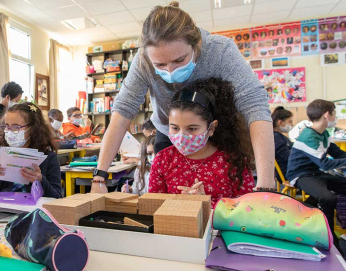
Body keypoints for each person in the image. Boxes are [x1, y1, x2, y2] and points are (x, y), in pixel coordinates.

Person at [91, 2, 275, 193]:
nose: (170, 71)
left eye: (179, 60)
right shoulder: (143, 60)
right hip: (170, 136)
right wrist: (99, 178)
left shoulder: (221, 51)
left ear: (197, 45)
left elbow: (255, 105)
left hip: (217, 135)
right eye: (160, 65)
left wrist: (265, 186)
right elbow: (122, 111)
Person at [148, 78, 255, 206]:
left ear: (211, 128)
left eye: (192, 129)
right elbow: (153, 206)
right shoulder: (163, 160)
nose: (182, 136)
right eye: (175, 128)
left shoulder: (234, 162)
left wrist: (206, 204)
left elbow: (247, 210)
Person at [286, 99, 346, 249]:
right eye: (334, 114)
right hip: (300, 175)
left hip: (315, 173)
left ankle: (312, 207)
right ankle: (329, 237)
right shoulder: (309, 137)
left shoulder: (323, 133)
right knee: (327, 198)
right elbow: (324, 163)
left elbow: (337, 153)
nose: (335, 117)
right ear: (327, 114)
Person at [0, 103, 62, 198]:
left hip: (35, 210)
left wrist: (40, 180)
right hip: (4, 210)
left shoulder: (48, 157)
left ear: (33, 128)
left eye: (16, 127)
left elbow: (57, 197)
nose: (9, 131)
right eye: (6, 126)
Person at [272, 107, 293, 182]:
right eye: (290, 122)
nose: (292, 124)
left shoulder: (280, 136)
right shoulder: (276, 138)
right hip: (287, 173)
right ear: (280, 122)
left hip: (290, 170)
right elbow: (286, 156)